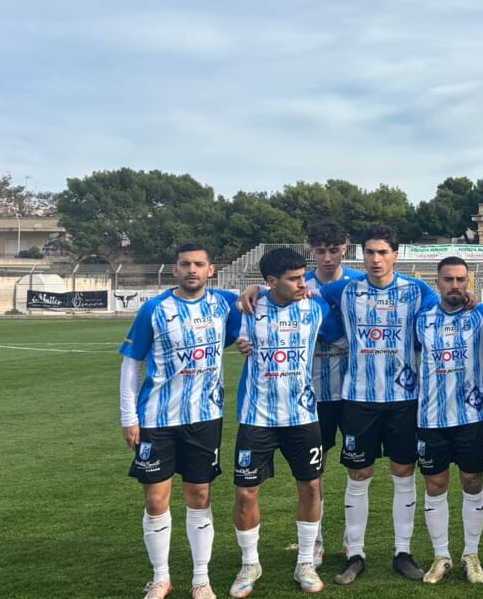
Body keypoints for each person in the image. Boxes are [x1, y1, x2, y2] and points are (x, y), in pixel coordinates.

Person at [315, 224, 439, 585]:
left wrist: (471, 299)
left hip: (404, 399)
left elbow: (447, 310)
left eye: (383, 252)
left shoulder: (416, 290)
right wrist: (255, 289)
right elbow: (301, 290)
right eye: (369, 252)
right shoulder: (344, 289)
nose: (376, 259)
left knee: (404, 472)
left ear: (395, 255)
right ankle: (355, 554)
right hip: (358, 398)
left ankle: (403, 552)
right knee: (359, 475)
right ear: (361, 255)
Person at [119, 243, 240, 599]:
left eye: (199, 264)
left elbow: (261, 297)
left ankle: (201, 579)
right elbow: (132, 364)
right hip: (157, 418)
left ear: (211, 270)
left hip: (205, 417)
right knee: (156, 499)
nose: (192, 270)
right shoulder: (154, 309)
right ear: (174, 270)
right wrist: (129, 417)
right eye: (185, 264)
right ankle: (161, 577)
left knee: (199, 495)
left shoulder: (223, 303)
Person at [228, 248, 343, 597]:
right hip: (257, 417)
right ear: (271, 281)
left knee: (311, 487)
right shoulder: (246, 309)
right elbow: (211, 302)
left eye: (303, 276)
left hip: (303, 416)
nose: (301, 283)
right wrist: (247, 293)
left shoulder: (315, 307)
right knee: (245, 493)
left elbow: (341, 332)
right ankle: (250, 563)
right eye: (293, 279)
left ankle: (305, 561)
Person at [413, 256, 483, 585]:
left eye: (461, 279)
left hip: (471, 416)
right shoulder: (420, 320)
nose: (456, 285)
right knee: (435, 485)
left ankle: (471, 554)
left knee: (472, 482)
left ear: (468, 282)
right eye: (449, 279)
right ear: (438, 283)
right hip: (431, 417)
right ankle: (441, 556)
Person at [299, 219, 364, 566]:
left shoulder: (360, 284)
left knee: (358, 469)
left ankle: (353, 543)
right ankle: (316, 542)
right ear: (311, 250)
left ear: (345, 249)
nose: (327, 258)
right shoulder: (299, 284)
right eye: (321, 251)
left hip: (354, 393)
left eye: (334, 250)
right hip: (314, 395)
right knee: (315, 471)